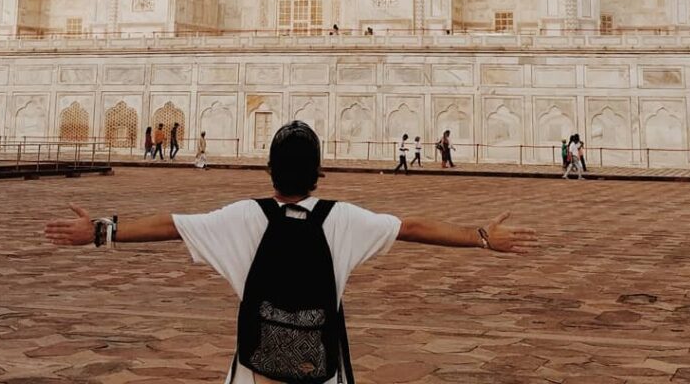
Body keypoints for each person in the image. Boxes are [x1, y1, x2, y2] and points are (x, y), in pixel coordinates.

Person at [45, 121, 537, 384]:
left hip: (255, 367)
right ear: (319, 173)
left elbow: (170, 225)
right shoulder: (342, 219)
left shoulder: (241, 218)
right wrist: (481, 237)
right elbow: (410, 226)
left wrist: (100, 232)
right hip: (320, 368)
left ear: (268, 170)